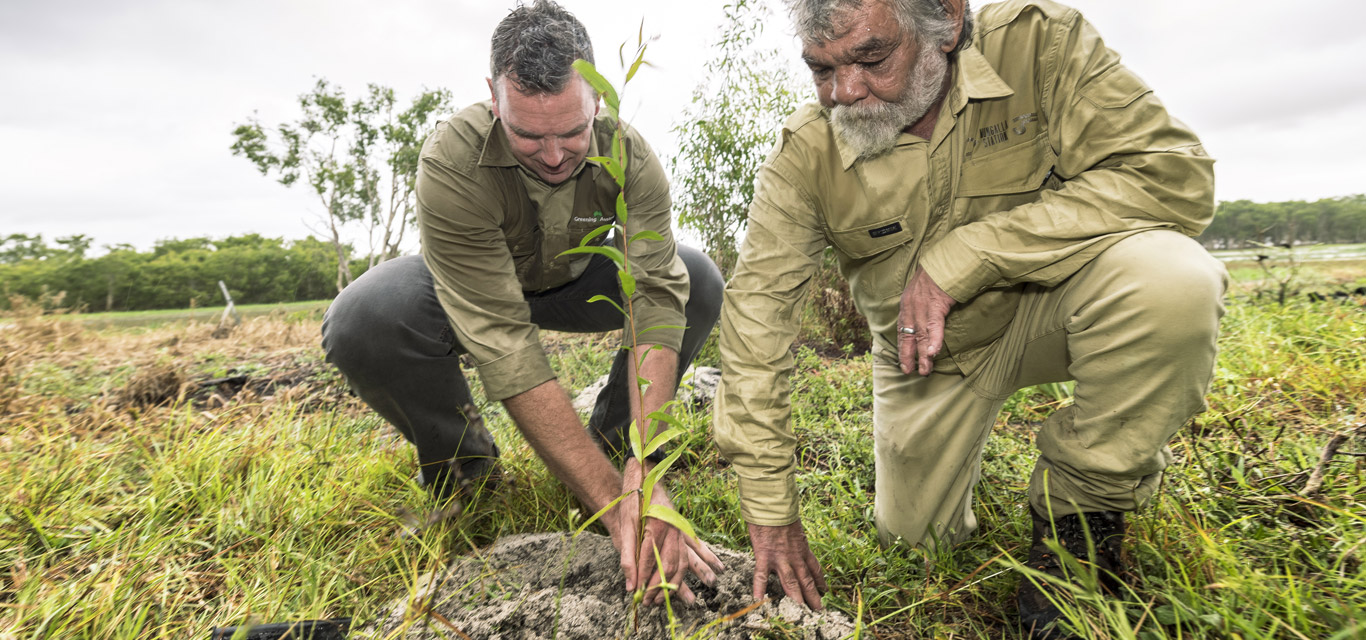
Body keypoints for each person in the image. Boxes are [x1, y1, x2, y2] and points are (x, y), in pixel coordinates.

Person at [712, 0, 1227, 636]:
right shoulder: (807, 153)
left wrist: (969, 255)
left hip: (1055, 304)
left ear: (947, 23)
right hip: (925, 354)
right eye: (821, 68)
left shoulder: (1041, 46)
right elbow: (757, 321)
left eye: (872, 57)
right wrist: (770, 507)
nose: (844, 92)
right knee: (915, 540)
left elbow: (1172, 176)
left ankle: (1081, 517)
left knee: (1173, 284)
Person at [322, 0, 724, 605]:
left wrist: (644, 471)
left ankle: (619, 446)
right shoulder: (451, 159)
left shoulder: (630, 154)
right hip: (471, 289)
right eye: (528, 135)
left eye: (571, 132)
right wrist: (613, 508)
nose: (556, 155)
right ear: (493, 96)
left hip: (577, 281)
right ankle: (467, 470)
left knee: (695, 277)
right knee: (364, 317)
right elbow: (503, 339)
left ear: (597, 99)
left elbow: (657, 298)